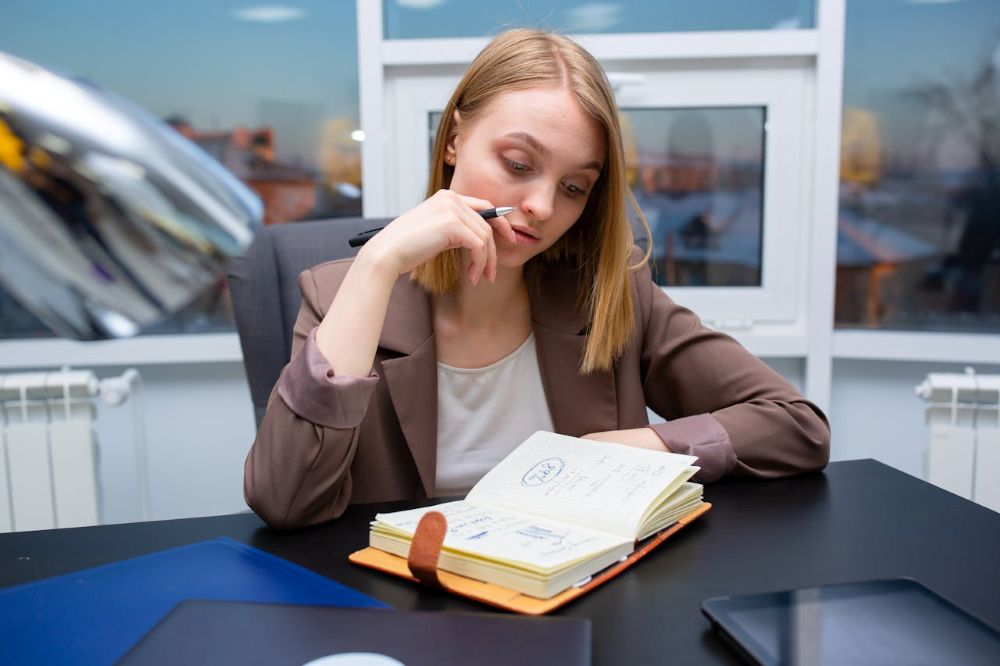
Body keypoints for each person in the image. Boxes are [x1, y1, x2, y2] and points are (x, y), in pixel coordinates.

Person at [244, 29, 830, 529]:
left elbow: (797, 426)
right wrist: (374, 268)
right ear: (453, 139)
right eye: (519, 165)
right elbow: (287, 500)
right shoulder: (340, 297)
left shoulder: (610, 295)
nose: (543, 206)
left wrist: (640, 447)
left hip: (581, 605)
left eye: (574, 186)